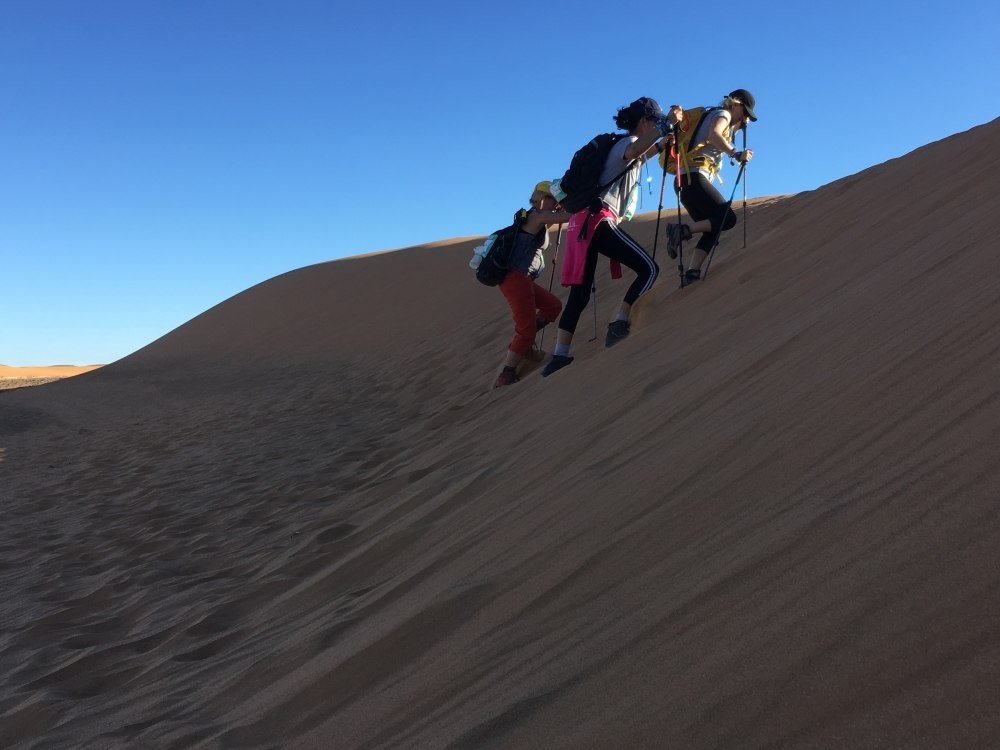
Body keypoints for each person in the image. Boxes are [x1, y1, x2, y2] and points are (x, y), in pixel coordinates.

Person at [542, 98, 680, 378]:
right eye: (654, 121)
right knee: (649, 269)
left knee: (579, 295)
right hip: (598, 221)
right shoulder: (625, 142)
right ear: (644, 121)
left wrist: (662, 142)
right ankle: (620, 321)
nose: (656, 126)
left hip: (581, 224)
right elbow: (633, 151)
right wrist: (668, 125)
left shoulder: (623, 148)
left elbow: (639, 157)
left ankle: (559, 356)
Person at [665, 89, 756, 284]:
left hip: (685, 181)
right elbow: (715, 135)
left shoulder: (720, 118)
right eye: (745, 111)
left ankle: (692, 273)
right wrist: (735, 153)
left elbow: (719, 136)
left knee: (713, 227)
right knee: (727, 218)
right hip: (694, 177)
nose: (747, 117)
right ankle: (679, 231)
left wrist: (739, 127)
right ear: (735, 105)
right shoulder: (722, 114)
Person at [493, 181, 574, 388]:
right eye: (551, 199)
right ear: (540, 198)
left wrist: (560, 208)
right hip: (515, 278)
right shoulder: (537, 215)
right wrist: (575, 208)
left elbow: (556, 219)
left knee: (553, 306)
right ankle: (506, 375)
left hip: (523, 279)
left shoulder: (539, 219)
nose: (554, 204)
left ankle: (522, 344)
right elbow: (569, 217)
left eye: (556, 200)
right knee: (526, 330)